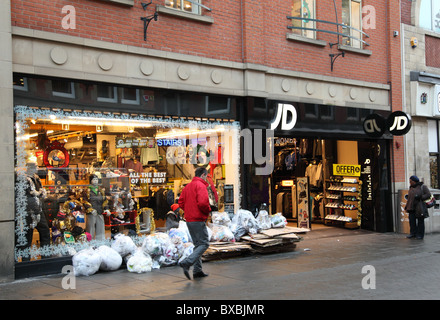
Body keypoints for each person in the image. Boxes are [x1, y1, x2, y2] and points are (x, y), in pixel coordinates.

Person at [178, 167, 214, 280]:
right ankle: (187, 262)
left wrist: (189, 210)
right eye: (207, 176)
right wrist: (208, 210)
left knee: (198, 245)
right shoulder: (201, 186)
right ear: (203, 175)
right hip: (198, 219)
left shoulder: (187, 187)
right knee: (204, 244)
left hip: (189, 220)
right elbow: (203, 202)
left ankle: (197, 270)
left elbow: (181, 202)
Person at [405, 175, 431, 239]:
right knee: (412, 221)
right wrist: (406, 206)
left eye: (410, 181)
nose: (410, 182)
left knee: (420, 221)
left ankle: (420, 234)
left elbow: (428, 194)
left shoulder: (422, 187)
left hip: (419, 207)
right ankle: (413, 233)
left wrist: (420, 197)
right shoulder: (411, 187)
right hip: (411, 207)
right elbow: (410, 198)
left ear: (414, 181)